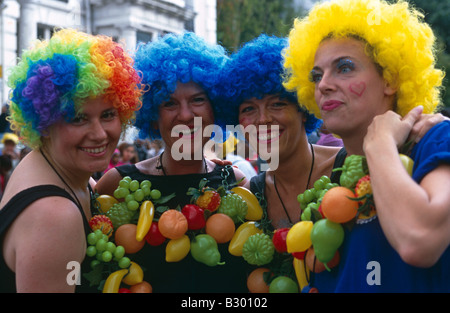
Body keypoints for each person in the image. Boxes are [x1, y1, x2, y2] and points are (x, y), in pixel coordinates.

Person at [283, 0, 450, 292]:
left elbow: (419, 240)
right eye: (316, 75)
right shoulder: (338, 173)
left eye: (344, 67)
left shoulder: (436, 139)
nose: (323, 85)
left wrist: (381, 142)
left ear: (391, 79)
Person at [95, 32, 252, 292]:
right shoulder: (119, 184)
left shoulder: (233, 182)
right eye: (169, 103)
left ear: (215, 109)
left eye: (198, 99)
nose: (186, 115)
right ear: (153, 117)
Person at [0, 28, 143, 292]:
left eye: (109, 114)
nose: (100, 134)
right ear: (44, 123)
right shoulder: (55, 216)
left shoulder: (62, 171)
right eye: (78, 118)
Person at [216, 34, 335, 229]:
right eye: (249, 109)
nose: (263, 119)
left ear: (303, 108)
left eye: (277, 104)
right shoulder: (250, 196)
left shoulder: (348, 167)